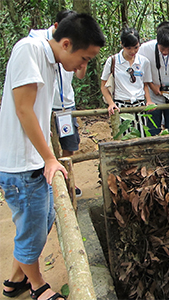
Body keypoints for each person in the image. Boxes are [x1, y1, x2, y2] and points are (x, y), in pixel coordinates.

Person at [0, 13, 104, 300]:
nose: (83, 67)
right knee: (32, 229)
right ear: (66, 44)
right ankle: (37, 285)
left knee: (41, 220)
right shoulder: (28, 50)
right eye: (84, 58)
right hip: (21, 164)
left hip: (32, 160)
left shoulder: (49, 60)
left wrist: (47, 157)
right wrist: (49, 158)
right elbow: (24, 110)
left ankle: (14, 280)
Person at [28, 10, 85, 197]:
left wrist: (83, 62)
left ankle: (68, 180)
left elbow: (79, 76)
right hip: (48, 106)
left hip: (66, 105)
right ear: (56, 27)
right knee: (47, 144)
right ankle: (51, 182)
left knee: (69, 144)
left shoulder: (74, 49)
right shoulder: (36, 46)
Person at [101, 27, 153, 137]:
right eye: (129, 48)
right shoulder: (113, 61)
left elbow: (145, 84)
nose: (133, 51)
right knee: (123, 139)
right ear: (122, 45)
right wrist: (111, 103)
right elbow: (104, 86)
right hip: (121, 106)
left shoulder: (144, 62)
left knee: (141, 138)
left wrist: (148, 101)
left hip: (139, 105)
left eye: (136, 47)